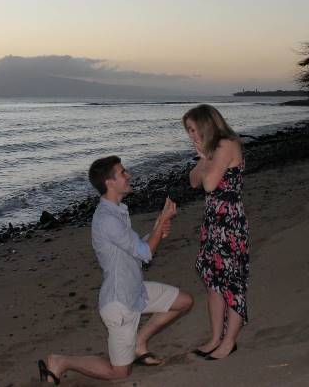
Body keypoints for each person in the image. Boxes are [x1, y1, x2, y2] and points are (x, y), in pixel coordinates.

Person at [37, 156, 193, 384]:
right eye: (123, 172)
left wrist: (157, 231)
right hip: (120, 303)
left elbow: (135, 250)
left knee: (184, 302)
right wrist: (160, 224)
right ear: (109, 183)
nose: (128, 175)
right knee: (119, 373)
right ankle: (61, 361)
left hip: (136, 290)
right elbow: (146, 253)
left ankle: (139, 343)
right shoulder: (107, 219)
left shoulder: (117, 210)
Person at [183, 104, 248, 361]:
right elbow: (193, 181)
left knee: (232, 283)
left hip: (229, 223)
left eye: (192, 129)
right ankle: (215, 338)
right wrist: (203, 157)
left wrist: (204, 157)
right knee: (213, 283)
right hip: (213, 222)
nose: (190, 135)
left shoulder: (226, 144)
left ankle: (229, 342)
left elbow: (209, 184)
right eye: (188, 130)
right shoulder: (211, 150)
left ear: (205, 124)